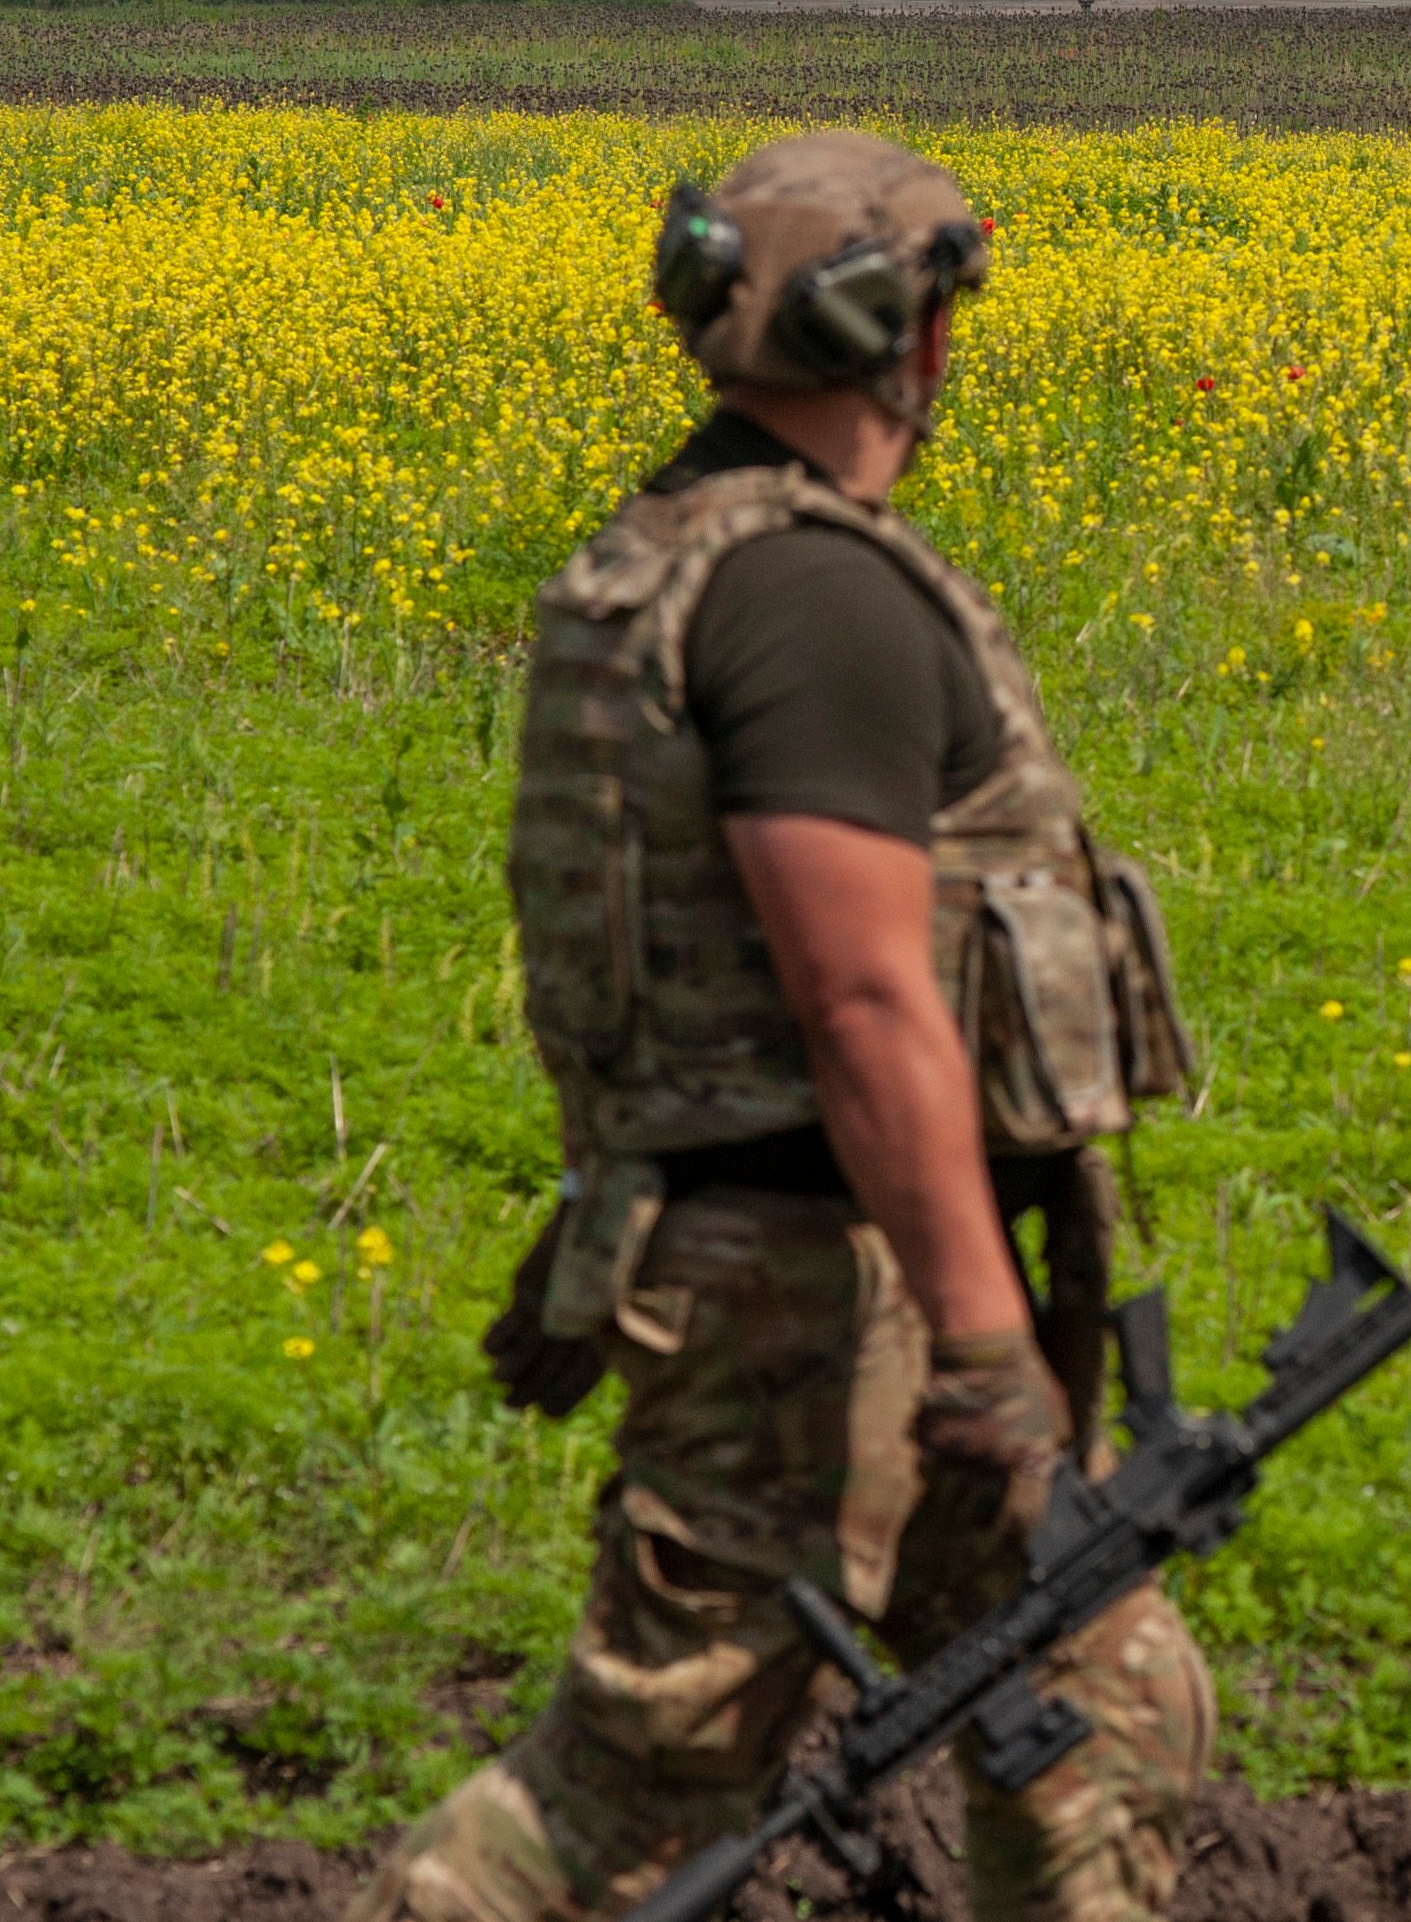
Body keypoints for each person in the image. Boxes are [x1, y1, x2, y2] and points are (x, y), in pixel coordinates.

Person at [353, 133, 1204, 1922]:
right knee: (625, 1806)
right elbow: (864, 994)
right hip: (827, 1306)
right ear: (910, 337)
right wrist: (987, 1358)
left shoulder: (668, 558)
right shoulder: (811, 600)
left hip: (810, 1263)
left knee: (1101, 1703)